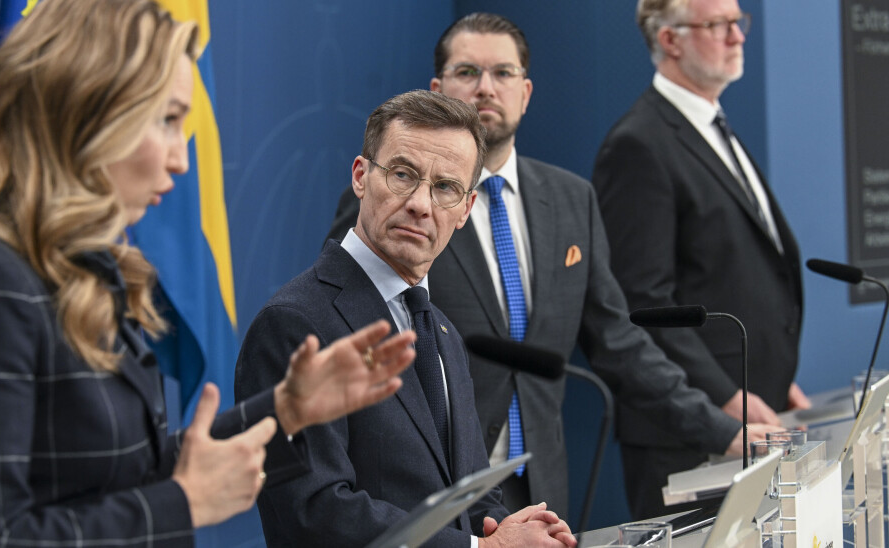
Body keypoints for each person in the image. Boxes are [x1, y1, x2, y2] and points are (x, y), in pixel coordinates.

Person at [0, 1, 415, 546]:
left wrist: (286, 411)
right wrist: (180, 506)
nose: (181, 159)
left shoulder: (78, 268)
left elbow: (126, 476)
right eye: (165, 119)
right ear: (86, 108)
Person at [327, 12, 779, 519]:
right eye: (467, 73)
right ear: (438, 88)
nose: (485, 88)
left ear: (526, 91)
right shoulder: (394, 199)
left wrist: (720, 428)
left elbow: (620, 343)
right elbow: (345, 323)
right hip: (431, 494)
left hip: (539, 486)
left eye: (503, 73)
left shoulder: (571, 200)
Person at [236, 90, 576, 547]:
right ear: (360, 176)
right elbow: (313, 512)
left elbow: (469, 496)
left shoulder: (442, 331)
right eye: (402, 175)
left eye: (445, 188)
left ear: (466, 210)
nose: (420, 204)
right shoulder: (295, 323)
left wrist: (514, 527)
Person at [591, 0, 807, 518]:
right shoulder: (638, 144)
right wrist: (726, 395)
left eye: (738, 22)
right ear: (670, 40)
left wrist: (774, 379)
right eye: (719, 25)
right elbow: (643, 302)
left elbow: (732, 275)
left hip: (751, 413)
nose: (737, 35)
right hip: (689, 433)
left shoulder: (712, 127)